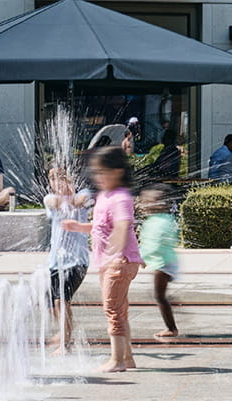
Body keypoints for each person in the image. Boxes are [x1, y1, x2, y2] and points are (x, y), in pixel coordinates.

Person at [62, 146, 142, 372]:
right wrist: (79, 227)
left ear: (117, 171)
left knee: (112, 310)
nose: (98, 177)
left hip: (120, 260)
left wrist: (116, 245)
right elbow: (100, 227)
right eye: (95, 173)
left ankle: (116, 361)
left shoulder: (120, 197)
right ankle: (127, 358)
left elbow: (123, 223)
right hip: (110, 260)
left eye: (102, 172)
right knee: (120, 309)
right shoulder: (105, 195)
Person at [42, 167, 91, 354]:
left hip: (77, 261)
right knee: (52, 300)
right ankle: (65, 331)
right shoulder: (49, 199)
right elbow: (55, 202)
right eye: (53, 179)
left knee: (61, 301)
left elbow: (80, 200)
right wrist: (63, 193)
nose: (57, 182)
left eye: (61, 178)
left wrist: (69, 189)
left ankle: (65, 341)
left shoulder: (83, 195)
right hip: (56, 261)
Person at [137, 184, 180, 338]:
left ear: (159, 204)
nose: (143, 204)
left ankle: (171, 328)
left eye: (147, 201)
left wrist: (141, 257)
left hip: (164, 263)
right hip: (163, 261)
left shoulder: (159, 221)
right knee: (159, 295)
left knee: (158, 296)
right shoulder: (160, 219)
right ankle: (170, 306)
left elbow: (156, 243)